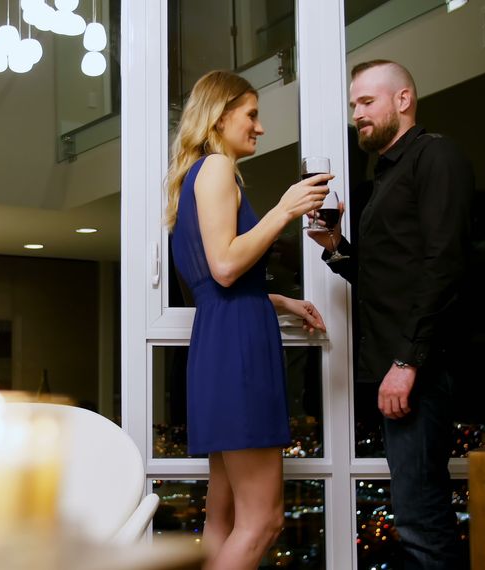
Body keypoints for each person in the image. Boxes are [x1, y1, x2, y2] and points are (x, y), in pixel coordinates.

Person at [307, 60, 473, 569]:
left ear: (403, 100)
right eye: (354, 104)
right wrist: (335, 246)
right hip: (400, 367)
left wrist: (406, 362)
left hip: (418, 369)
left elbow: (444, 265)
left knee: (421, 521)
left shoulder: (435, 155)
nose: (357, 113)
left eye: (367, 102)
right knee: (415, 515)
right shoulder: (387, 173)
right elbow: (386, 277)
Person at [167, 70, 329, 569]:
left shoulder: (197, 174)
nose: (260, 128)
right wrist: (283, 209)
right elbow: (226, 264)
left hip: (219, 341)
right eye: (252, 114)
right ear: (219, 115)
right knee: (263, 521)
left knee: (225, 518)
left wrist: (279, 300)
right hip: (238, 349)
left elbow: (216, 279)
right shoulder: (217, 169)